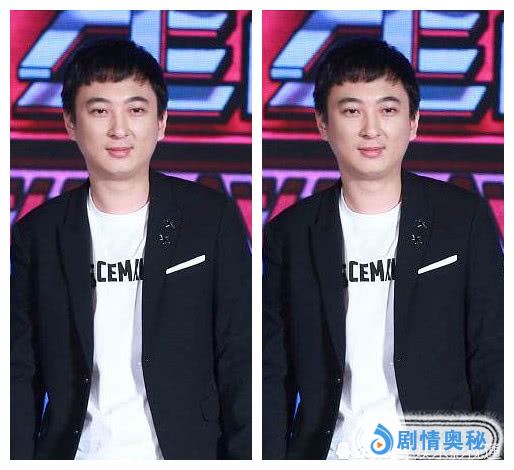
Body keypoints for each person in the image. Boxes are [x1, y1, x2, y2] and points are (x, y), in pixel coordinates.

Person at [262, 37, 503, 460]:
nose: (371, 129)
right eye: (351, 110)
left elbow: (494, 357)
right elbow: (272, 375)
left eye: (388, 110)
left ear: (413, 122)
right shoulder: (291, 235)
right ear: (322, 123)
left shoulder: (461, 220)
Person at [11, 38, 251, 460]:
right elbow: (18, 375)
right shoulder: (39, 235)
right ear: (70, 123)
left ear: (161, 122)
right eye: (99, 110)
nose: (119, 129)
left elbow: (241, 359)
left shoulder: (209, 219)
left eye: (136, 110)